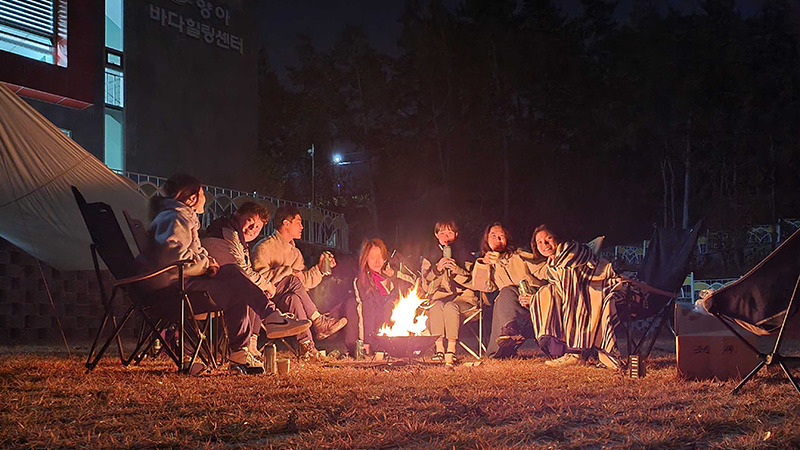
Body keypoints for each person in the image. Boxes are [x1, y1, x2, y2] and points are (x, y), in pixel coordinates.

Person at [145, 174, 311, 373]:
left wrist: (208, 261)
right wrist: (207, 264)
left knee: (234, 282)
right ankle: (269, 318)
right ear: (191, 199)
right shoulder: (175, 217)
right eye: (202, 193)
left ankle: (244, 348)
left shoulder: (180, 217)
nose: (206, 197)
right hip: (174, 288)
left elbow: (188, 251)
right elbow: (172, 254)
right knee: (233, 274)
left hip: (183, 283)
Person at [250, 205, 346, 357]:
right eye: (298, 222)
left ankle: (306, 347)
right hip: (264, 298)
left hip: (283, 299)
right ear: (286, 223)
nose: (302, 226)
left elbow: (303, 284)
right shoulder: (264, 247)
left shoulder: (295, 253)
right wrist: (288, 271)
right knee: (292, 280)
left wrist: (320, 269)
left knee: (293, 298)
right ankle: (318, 321)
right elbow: (259, 278)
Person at [527, 224, 623, 370]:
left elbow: (573, 283)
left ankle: (575, 352)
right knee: (546, 292)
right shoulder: (552, 264)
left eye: (548, 239)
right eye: (539, 242)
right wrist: (534, 299)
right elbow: (558, 289)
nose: (544, 244)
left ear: (557, 238)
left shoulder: (571, 250)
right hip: (581, 293)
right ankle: (565, 350)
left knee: (572, 294)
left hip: (603, 287)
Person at [470, 222, 545, 358]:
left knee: (505, 293)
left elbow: (541, 268)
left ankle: (510, 333)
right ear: (486, 239)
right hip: (510, 303)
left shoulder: (519, 255)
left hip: (532, 296)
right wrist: (483, 264)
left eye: (501, 236)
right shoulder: (488, 263)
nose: (498, 240)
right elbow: (482, 287)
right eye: (493, 236)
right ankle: (506, 341)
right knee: (504, 295)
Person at [420, 220, 477, 365]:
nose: (446, 237)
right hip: (440, 298)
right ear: (436, 235)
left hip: (464, 300)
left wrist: (457, 270)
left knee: (451, 307)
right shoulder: (430, 256)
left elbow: (474, 282)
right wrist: (437, 270)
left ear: (456, 235)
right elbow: (427, 288)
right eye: (442, 233)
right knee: (437, 306)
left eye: (450, 233)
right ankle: (439, 349)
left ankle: (451, 350)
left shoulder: (466, 254)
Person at [352, 238, 413, 350]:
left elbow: (413, 284)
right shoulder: (362, 282)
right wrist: (366, 341)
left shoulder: (390, 275)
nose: (377, 261)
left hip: (396, 328)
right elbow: (366, 312)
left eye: (380, 257)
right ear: (365, 259)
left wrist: (394, 276)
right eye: (373, 258)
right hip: (378, 334)